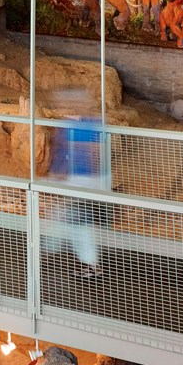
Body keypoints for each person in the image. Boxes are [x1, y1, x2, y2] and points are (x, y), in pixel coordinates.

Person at [41, 117, 105, 278]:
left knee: (76, 226)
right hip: (80, 186)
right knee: (69, 223)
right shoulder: (82, 127)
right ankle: (45, 252)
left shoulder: (74, 131)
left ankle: (45, 253)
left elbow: (72, 160)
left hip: (80, 187)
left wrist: (56, 178)